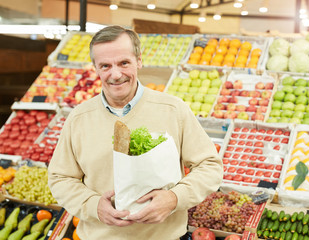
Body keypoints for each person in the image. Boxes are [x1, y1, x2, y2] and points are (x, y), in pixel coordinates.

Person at [48, 25, 223, 240]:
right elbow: (60, 178)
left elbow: (210, 166)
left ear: (138, 60)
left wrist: (174, 198)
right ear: (95, 68)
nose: (115, 74)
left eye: (124, 63)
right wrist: (93, 206)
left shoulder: (173, 109)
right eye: (105, 65)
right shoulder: (79, 118)